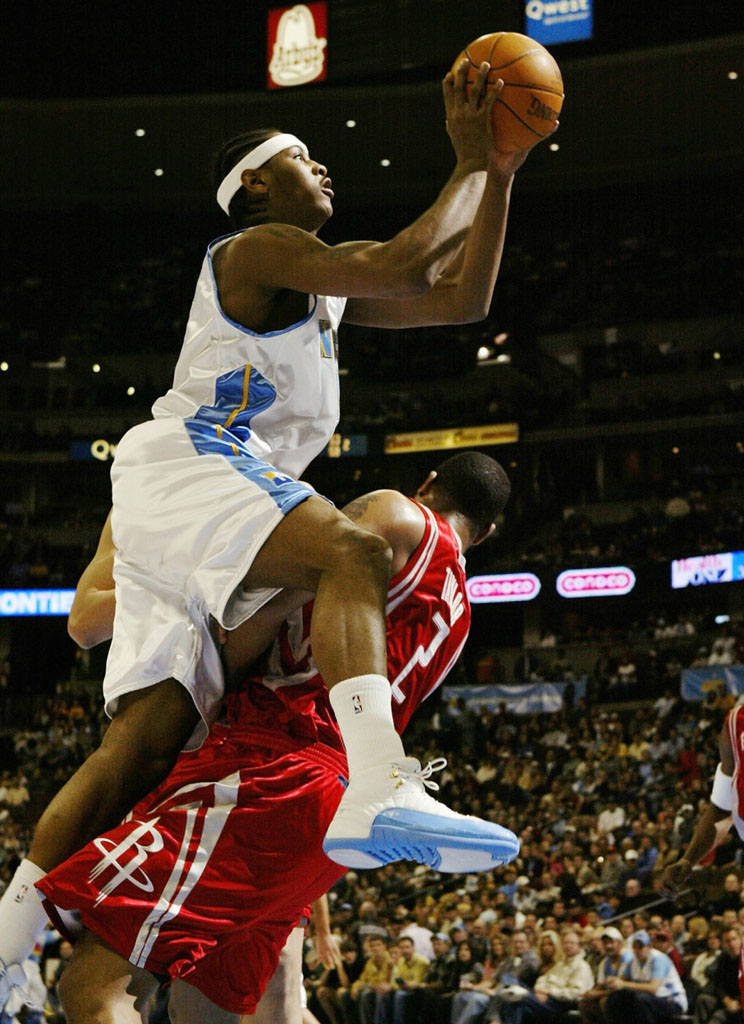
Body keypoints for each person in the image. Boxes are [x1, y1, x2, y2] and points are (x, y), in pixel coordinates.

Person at [0, 55, 543, 1000]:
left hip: (233, 493)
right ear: (255, 185)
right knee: (352, 548)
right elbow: (409, 259)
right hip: (192, 461)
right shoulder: (249, 252)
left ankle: (5, 949)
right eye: (304, 156)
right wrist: (464, 155)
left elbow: (461, 298)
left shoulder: (322, 295)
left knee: (146, 741)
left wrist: (498, 173)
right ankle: (379, 774)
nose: (325, 169)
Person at [36, 454, 519, 1023]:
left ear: (429, 484)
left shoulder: (397, 513)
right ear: (485, 532)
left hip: (270, 766)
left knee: (95, 988)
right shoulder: (460, 614)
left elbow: (267, 603)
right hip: (329, 797)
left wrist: (203, 670)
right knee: (204, 1011)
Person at [497, 929, 594, 1023]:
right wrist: (540, 989)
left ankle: (507, 991)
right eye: (565, 943)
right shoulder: (561, 964)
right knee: (510, 987)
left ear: (579, 946)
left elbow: (575, 994)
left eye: (571, 943)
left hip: (560, 1003)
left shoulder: (581, 966)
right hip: (545, 998)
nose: (568, 946)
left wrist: (549, 992)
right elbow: (542, 980)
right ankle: (509, 990)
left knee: (517, 997)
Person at [602, 930, 687, 1023]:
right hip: (649, 1000)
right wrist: (614, 981)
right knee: (615, 997)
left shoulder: (659, 959)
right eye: (635, 947)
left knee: (641, 1000)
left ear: (649, 947)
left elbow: (653, 988)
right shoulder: (633, 961)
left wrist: (623, 984)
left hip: (672, 1001)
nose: (637, 951)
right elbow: (622, 980)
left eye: (641, 947)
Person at [578, 926, 634, 1024]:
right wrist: (590, 993)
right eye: (605, 943)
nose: (608, 946)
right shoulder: (605, 962)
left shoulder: (627, 959)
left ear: (620, 943)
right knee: (585, 1003)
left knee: (605, 1001)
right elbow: (600, 984)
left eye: (611, 942)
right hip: (611, 995)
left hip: (627, 996)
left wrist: (597, 994)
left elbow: (620, 989)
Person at [690, 927, 744, 1024]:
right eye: (727, 941)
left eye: (734, 939)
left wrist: (736, 1001)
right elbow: (718, 983)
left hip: (740, 1000)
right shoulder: (724, 958)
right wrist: (726, 999)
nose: (732, 944)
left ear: (740, 939)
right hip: (728, 1000)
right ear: (722, 944)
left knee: (718, 1017)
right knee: (702, 1000)